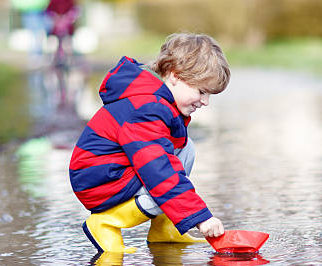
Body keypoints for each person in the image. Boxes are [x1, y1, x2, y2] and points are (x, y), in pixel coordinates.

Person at [69, 33, 230, 253]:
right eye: (201, 91)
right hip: (101, 180)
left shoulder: (156, 102)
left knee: (185, 149)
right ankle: (106, 223)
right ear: (175, 75)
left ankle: (164, 230)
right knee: (162, 183)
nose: (205, 102)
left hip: (112, 171)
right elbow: (160, 172)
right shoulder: (146, 108)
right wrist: (200, 217)